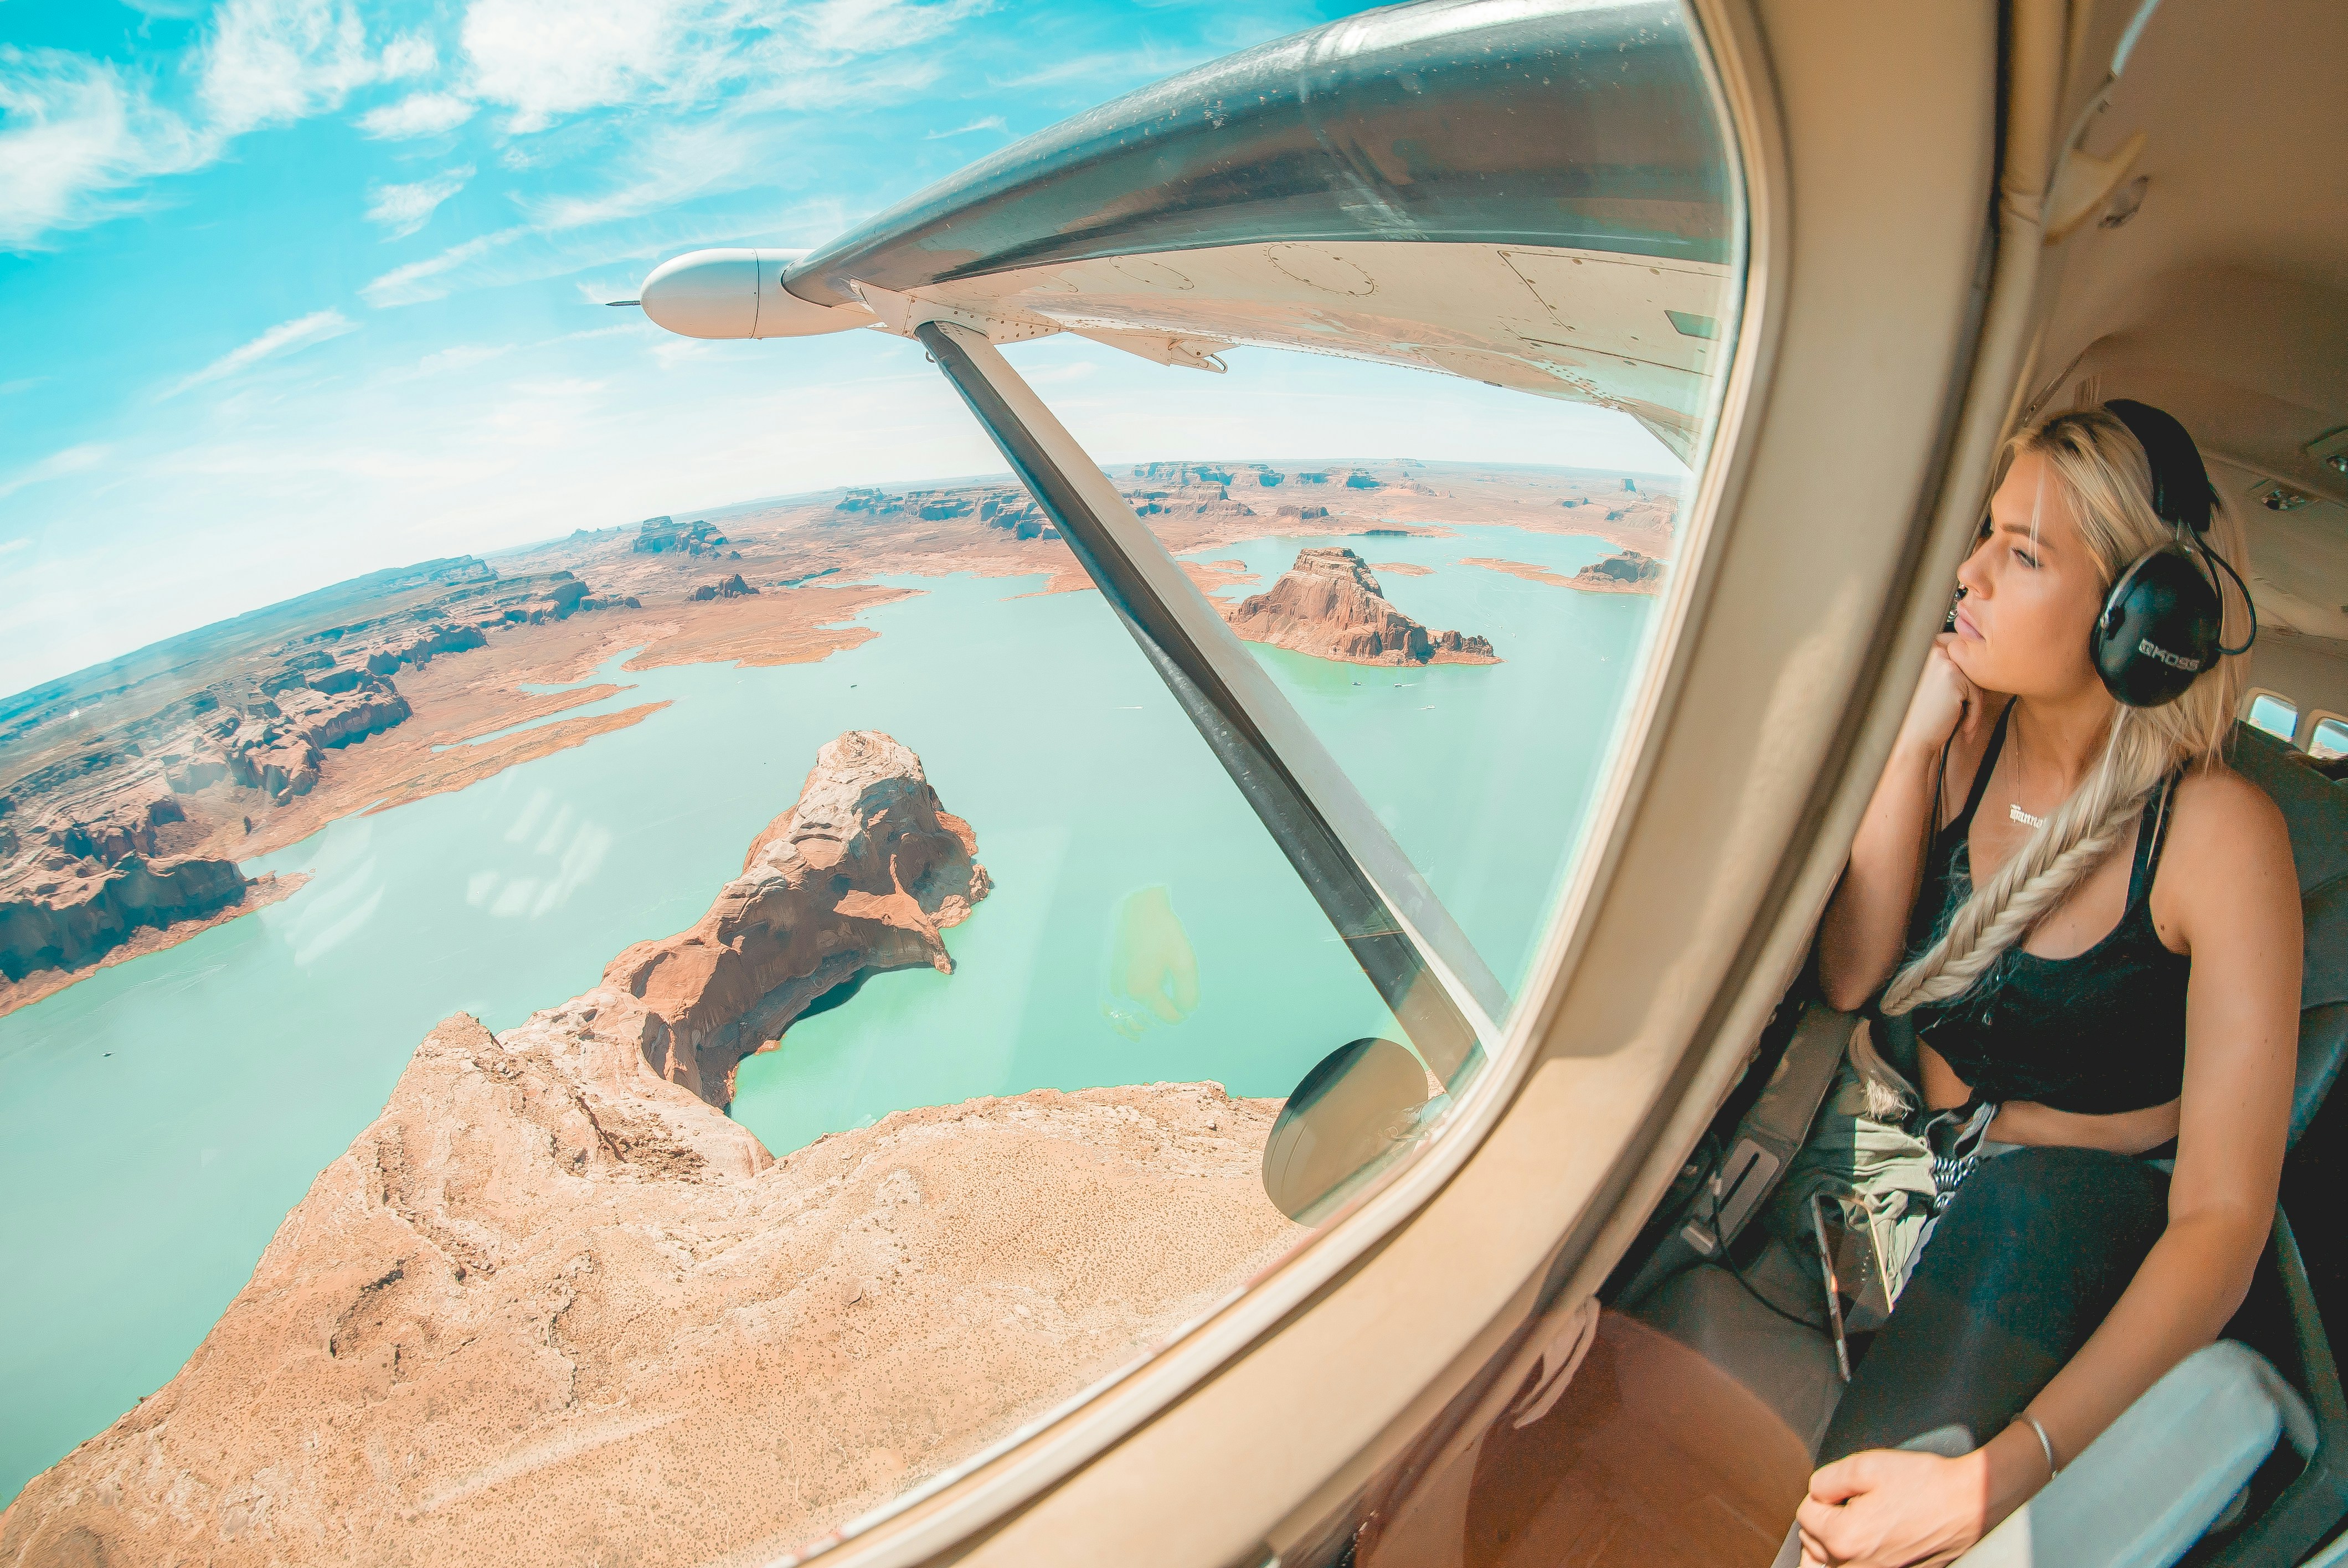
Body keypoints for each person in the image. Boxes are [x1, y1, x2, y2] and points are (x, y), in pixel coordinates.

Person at [1795, 404, 2303, 1566]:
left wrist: (1988, 1483)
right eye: (1984, 533)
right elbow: (1849, 975)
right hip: (1882, 1156)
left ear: (2137, 617)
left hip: (2054, 1210)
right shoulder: (1958, 740)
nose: (1965, 573)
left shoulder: (2217, 838)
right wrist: (1913, 750)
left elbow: (2220, 1224)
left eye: (2019, 554)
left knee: (1846, 1527)